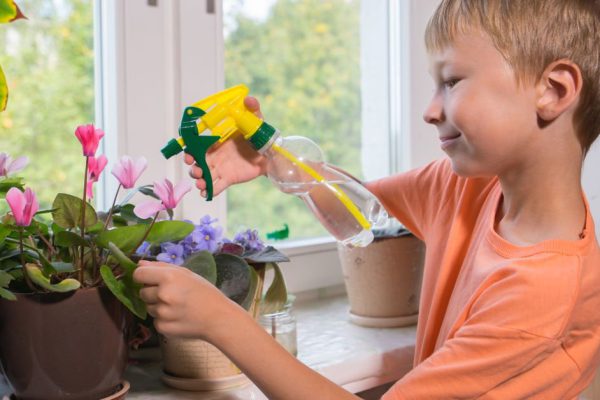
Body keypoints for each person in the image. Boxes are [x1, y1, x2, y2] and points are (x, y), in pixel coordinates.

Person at [133, 0, 600, 398]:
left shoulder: (542, 291)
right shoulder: (470, 186)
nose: (429, 110)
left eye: (452, 81)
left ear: (553, 90)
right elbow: (359, 209)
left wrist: (222, 321)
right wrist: (270, 159)